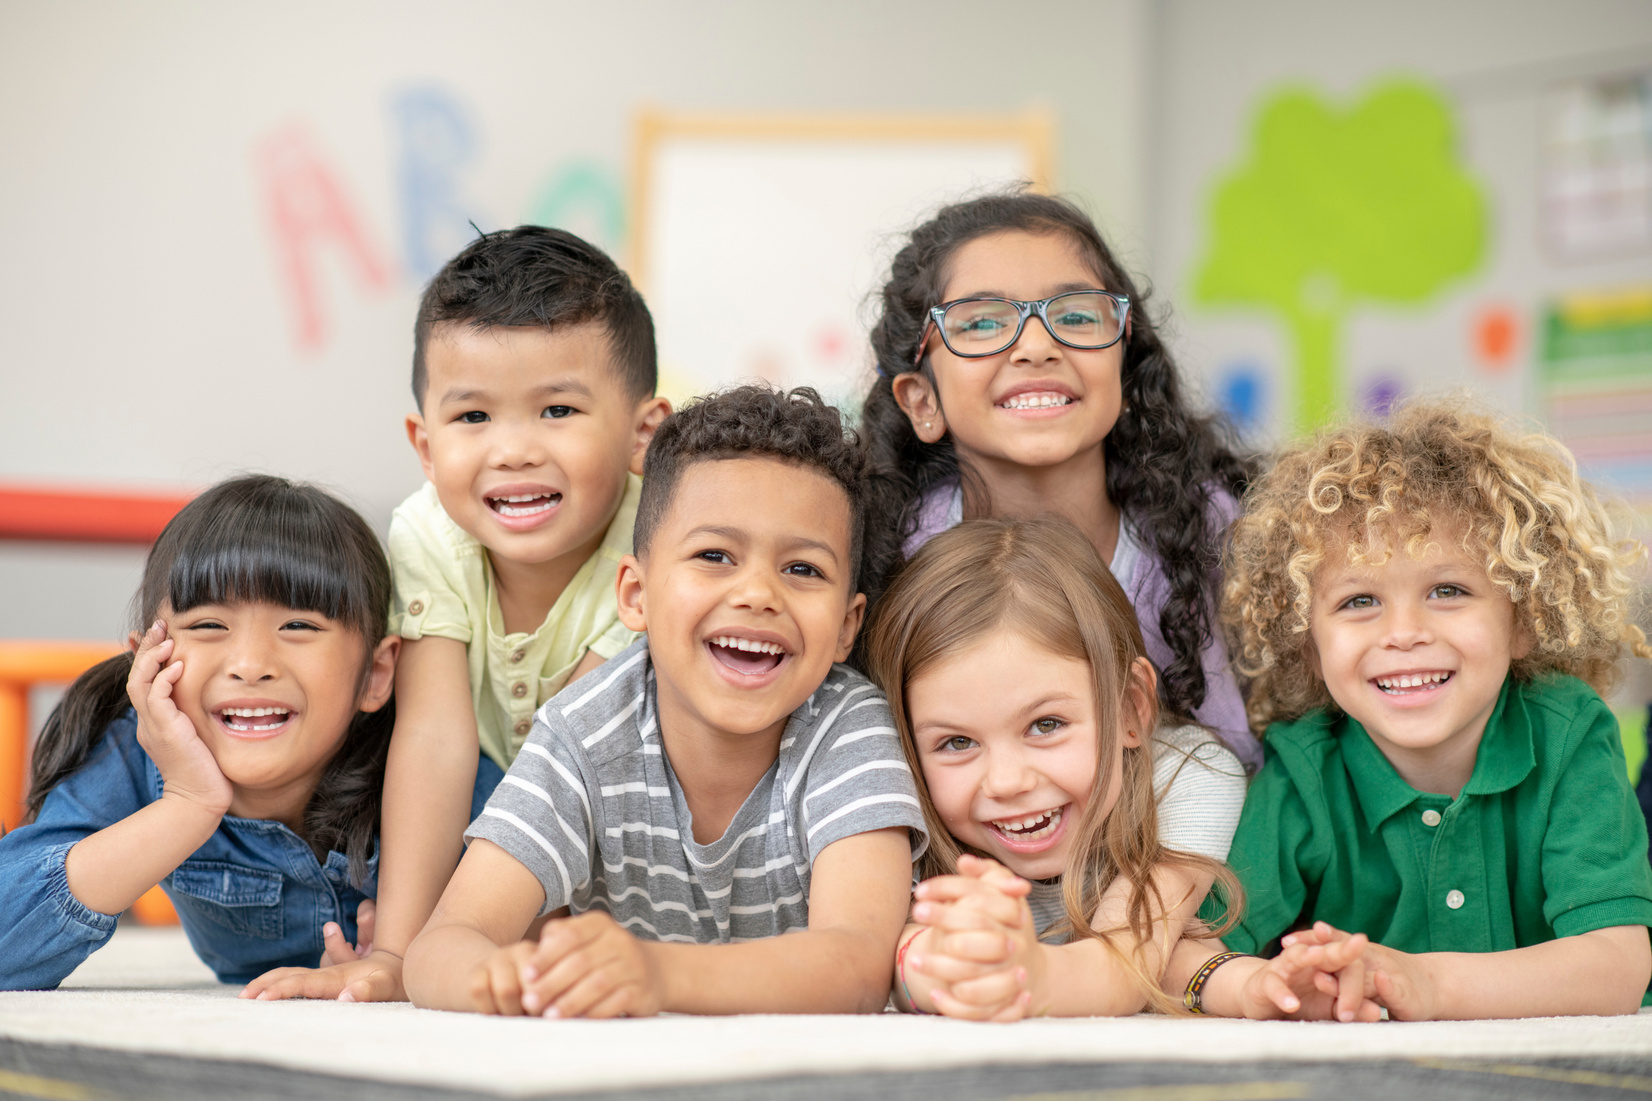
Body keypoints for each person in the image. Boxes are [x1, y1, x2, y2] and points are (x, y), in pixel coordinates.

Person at [402, 386, 928, 1017]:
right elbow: (441, 947)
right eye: (714, 556)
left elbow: (858, 969)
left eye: (802, 569)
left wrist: (654, 972)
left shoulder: (846, 729)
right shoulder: (583, 731)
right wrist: (513, 977)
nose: (758, 593)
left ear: (847, 627)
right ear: (636, 595)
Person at [246, 227, 671, 1002]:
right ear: (426, 443)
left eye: (557, 409)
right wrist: (402, 951)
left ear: (644, 433)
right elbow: (436, 736)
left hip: (618, 797)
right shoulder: (428, 532)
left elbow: (575, 750)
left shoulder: (656, 537)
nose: (512, 450)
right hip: (482, 796)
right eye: (473, 418)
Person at [1175, 398, 1652, 1020]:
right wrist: (1257, 987)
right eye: (1358, 601)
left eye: (1448, 590)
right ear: (1308, 646)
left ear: (1524, 621)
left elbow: (1616, 967)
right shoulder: (1305, 767)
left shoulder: (1570, 732)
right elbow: (1188, 948)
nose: (1403, 632)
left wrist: (1428, 986)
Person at [862, 518, 1368, 1019]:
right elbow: (896, 967)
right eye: (956, 742)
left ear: (1130, 709)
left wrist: (1024, 972)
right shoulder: (898, 801)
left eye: (1045, 725)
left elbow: (1127, 966)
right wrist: (951, 963)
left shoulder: (1186, 776)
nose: (1007, 781)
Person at [0, 476, 487, 990]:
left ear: (376, 674)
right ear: (147, 660)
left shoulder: (434, 763)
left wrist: (420, 947)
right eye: (209, 625)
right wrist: (188, 803)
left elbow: (542, 913)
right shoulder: (133, 752)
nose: (251, 665)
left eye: (299, 626)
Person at [858, 189, 1258, 771]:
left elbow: (1242, 758)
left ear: (1125, 365)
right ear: (922, 401)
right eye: (982, 323)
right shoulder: (889, 551)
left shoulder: (1211, 532)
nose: (1037, 346)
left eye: (1074, 315)